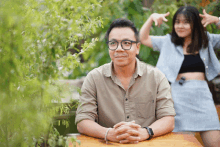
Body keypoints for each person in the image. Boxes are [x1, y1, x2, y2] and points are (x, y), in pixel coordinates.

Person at [75, 18, 176, 144]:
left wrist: (145, 132)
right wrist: (108, 133)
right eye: (113, 43)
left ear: (137, 47)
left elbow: (168, 119)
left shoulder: (156, 77)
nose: (119, 49)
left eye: (126, 43)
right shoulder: (94, 78)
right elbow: (83, 121)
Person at [139, 5, 220, 147]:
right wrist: (151, 18)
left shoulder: (206, 40)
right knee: (181, 143)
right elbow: (143, 38)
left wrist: (217, 20)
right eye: (177, 22)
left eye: (185, 22)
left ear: (195, 23)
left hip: (203, 96)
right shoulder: (168, 41)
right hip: (177, 96)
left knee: (215, 142)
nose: (180, 26)